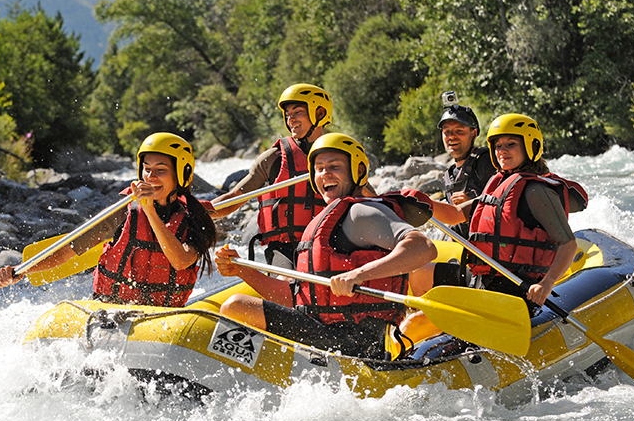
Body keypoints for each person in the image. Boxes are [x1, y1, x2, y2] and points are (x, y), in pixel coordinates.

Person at [215, 133, 437, 358]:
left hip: (356, 343)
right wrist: (241, 270)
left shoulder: (361, 212)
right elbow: (296, 300)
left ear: (358, 171)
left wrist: (358, 275)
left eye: (334, 167)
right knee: (238, 307)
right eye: (319, 168)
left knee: (235, 306)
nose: (325, 174)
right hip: (324, 333)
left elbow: (423, 247)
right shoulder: (329, 220)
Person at [0, 132, 217, 307]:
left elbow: (180, 261)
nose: (151, 177)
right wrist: (20, 271)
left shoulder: (195, 219)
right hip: (112, 308)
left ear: (181, 173)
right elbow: (66, 252)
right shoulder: (123, 212)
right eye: (147, 169)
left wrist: (149, 210)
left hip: (164, 316)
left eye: (161, 170)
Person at [410, 113, 588, 310]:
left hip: (514, 288)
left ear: (531, 146)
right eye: (498, 146)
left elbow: (568, 243)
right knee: (418, 274)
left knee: (421, 315)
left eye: (511, 144)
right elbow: (455, 214)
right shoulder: (499, 183)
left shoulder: (536, 191)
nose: (502, 151)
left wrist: (547, 283)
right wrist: (417, 202)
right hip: (484, 279)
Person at [209, 84, 332, 268]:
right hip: (284, 249)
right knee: (285, 280)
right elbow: (233, 199)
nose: (290, 119)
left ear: (320, 113)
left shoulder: (340, 157)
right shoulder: (273, 158)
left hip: (327, 246)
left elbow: (366, 199)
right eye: (288, 114)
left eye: (297, 112)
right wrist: (192, 212)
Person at [432, 92, 496, 237]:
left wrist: (471, 207)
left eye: (459, 131)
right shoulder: (450, 175)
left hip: (488, 244)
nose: (451, 136)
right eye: (447, 132)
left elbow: (505, 209)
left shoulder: (487, 161)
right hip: (465, 243)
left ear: (474, 133)